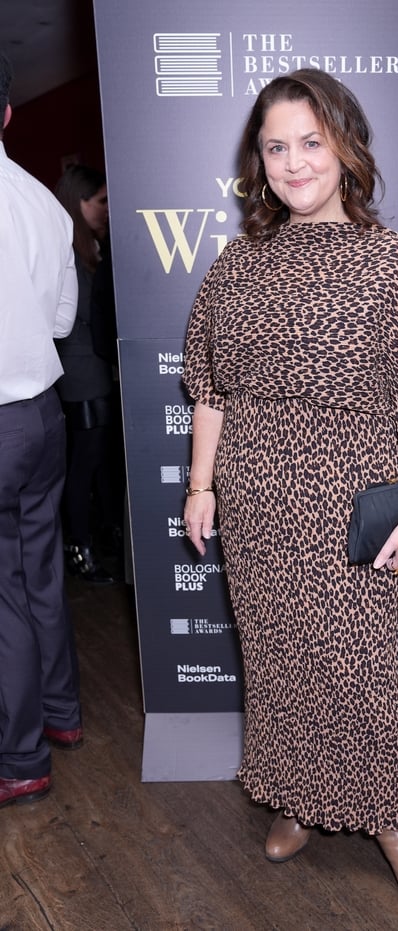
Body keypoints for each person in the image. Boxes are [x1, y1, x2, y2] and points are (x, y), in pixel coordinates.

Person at [183, 69, 398, 913]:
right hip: (255, 501)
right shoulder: (239, 264)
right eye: (276, 147)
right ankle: (299, 798)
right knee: (275, 663)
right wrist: (201, 486)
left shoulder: (391, 264)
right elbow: (211, 387)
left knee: (357, 667)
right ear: (257, 161)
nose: (294, 162)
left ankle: (391, 819)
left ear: (344, 145)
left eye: (311, 142)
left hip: (349, 507)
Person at [0, 52, 83, 810]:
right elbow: (61, 322)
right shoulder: (44, 204)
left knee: (6, 595)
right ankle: (61, 716)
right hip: (41, 415)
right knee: (39, 571)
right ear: (6, 113)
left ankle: (19, 758)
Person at [54, 165, 123, 584]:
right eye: (100, 201)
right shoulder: (68, 252)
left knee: (98, 465)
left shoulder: (89, 249)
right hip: (81, 378)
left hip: (94, 373)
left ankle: (93, 543)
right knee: (84, 465)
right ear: (79, 203)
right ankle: (79, 551)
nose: (107, 209)